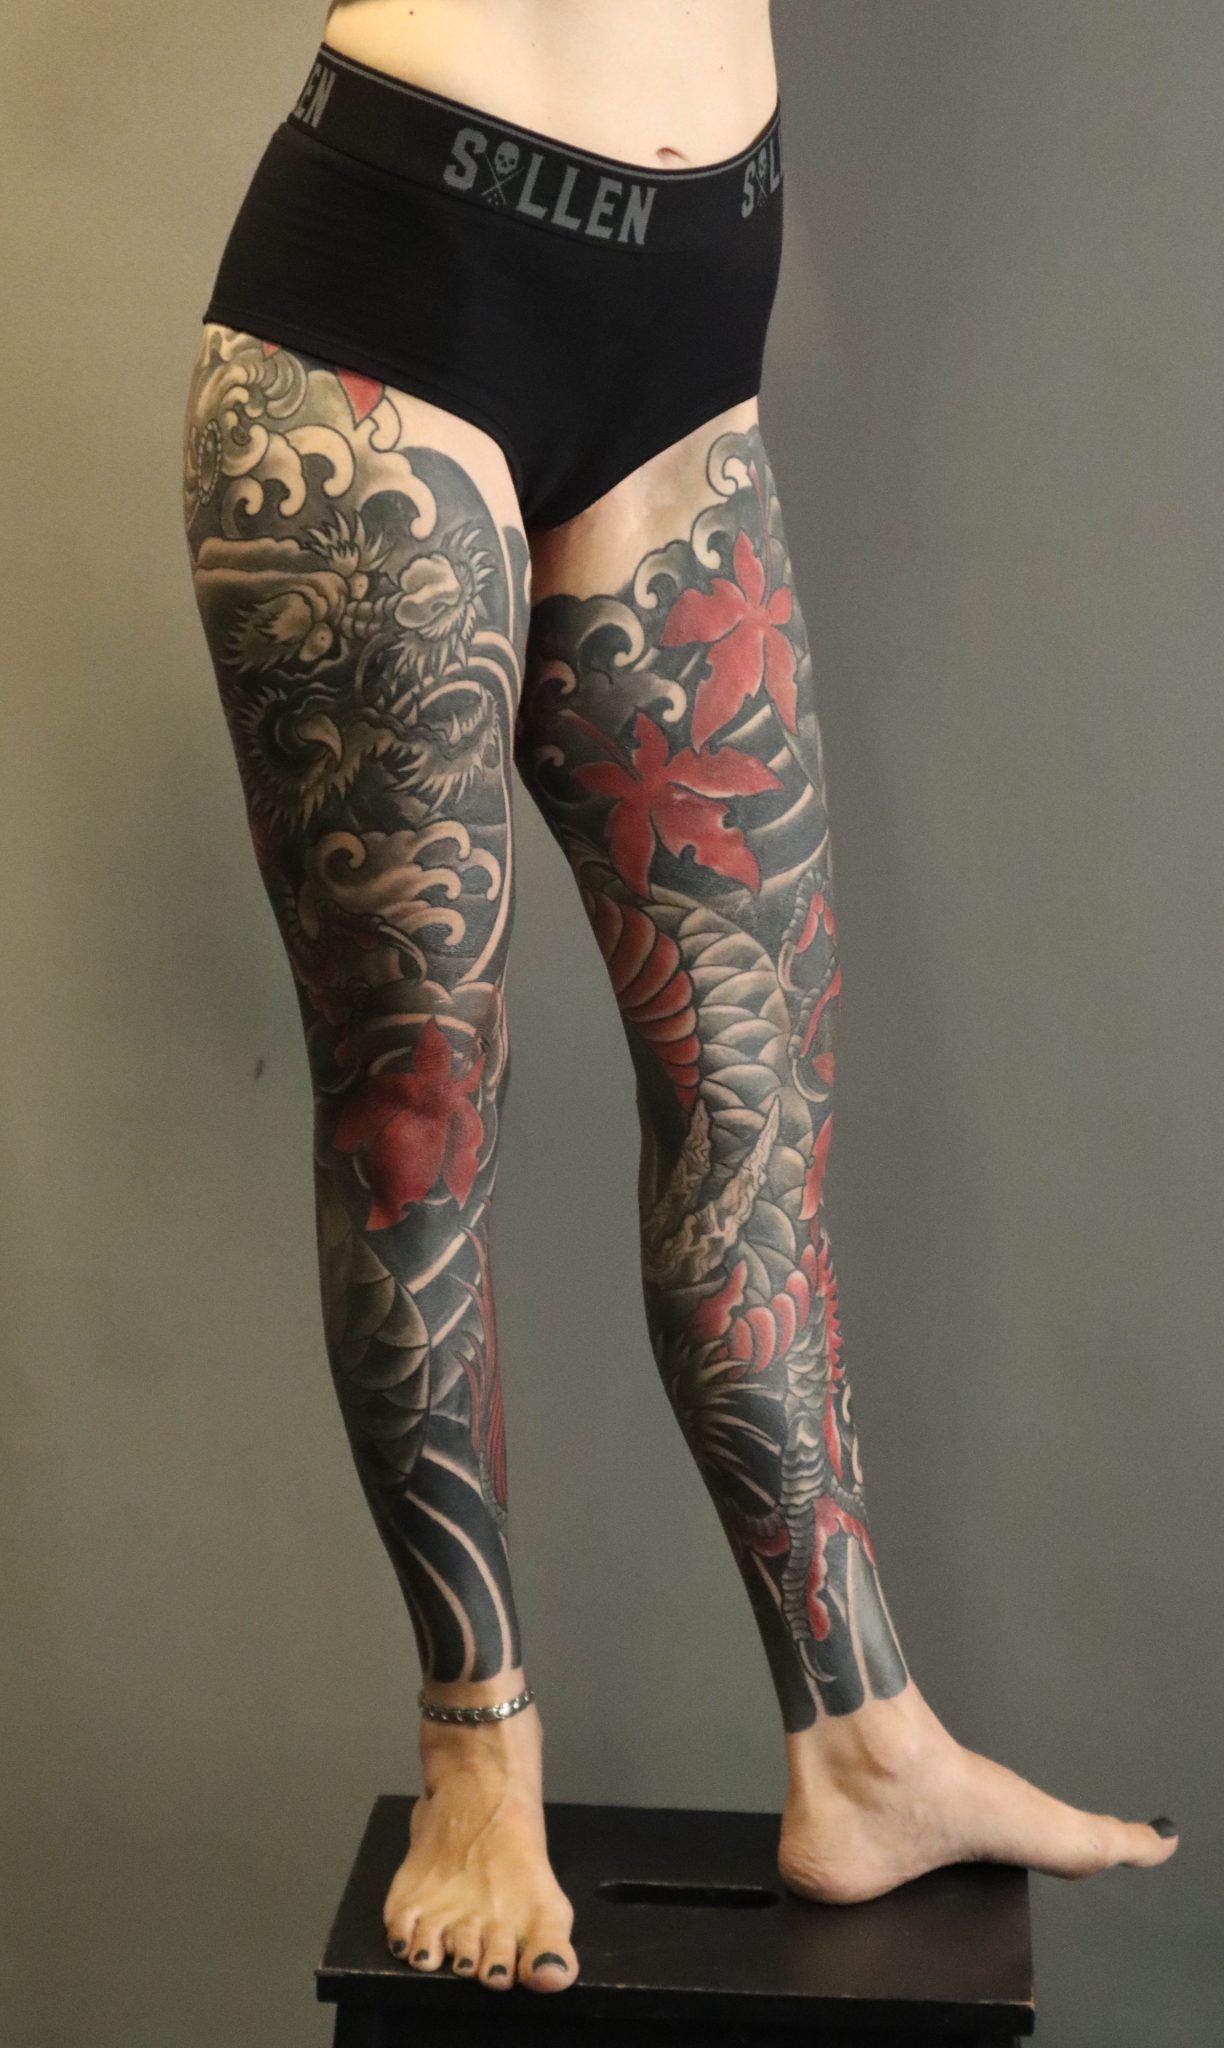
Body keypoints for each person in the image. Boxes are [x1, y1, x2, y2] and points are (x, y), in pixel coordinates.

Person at [180, 0, 1178, 2000]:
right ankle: (477, 1749)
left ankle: (865, 1743)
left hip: (691, 322)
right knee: (415, 1107)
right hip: (391, 287)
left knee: (753, 1106)